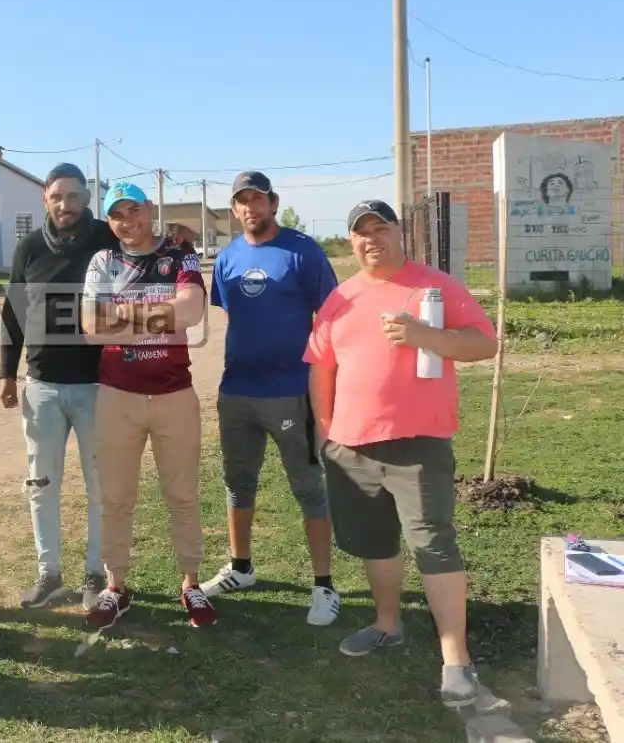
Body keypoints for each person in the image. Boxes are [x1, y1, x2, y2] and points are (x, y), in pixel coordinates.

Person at [304, 199, 498, 707]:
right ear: (351, 241)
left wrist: (425, 335)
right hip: (352, 447)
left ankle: (456, 658)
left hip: (419, 444)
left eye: (381, 228)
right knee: (376, 543)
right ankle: (387, 625)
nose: (372, 238)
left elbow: (484, 344)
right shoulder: (340, 299)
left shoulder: (434, 286)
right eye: (362, 231)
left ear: (398, 232)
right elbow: (321, 366)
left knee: (433, 543)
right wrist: (326, 430)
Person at [0, 163, 201, 612]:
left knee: (101, 486)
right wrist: (6, 372)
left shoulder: (105, 237)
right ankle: (49, 573)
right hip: (41, 381)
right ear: (45, 200)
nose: (65, 204)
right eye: (57, 197)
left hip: (96, 385)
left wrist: (178, 234)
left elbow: (149, 239)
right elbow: (14, 312)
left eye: (73, 196)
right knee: (41, 483)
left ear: (87, 200)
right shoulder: (29, 247)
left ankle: (98, 574)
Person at [198, 171, 342, 626]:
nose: (250, 207)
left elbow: (332, 316)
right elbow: (233, 314)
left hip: (291, 392)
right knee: (237, 482)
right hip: (237, 391)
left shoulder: (303, 250)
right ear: (234, 209)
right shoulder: (228, 258)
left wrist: (326, 381)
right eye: (242, 201)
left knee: (308, 487)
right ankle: (240, 568)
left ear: (273, 202)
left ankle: (324, 585)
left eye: (257, 199)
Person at [81, 182, 214, 629]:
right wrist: (161, 312)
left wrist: (123, 314)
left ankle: (190, 583)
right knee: (116, 496)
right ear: (109, 221)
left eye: (134, 210)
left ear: (150, 208)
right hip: (118, 396)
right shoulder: (104, 261)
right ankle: (116, 586)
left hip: (174, 394)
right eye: (117, 215)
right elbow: (91, 328)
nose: (128, 221)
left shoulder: (179, 252)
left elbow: (191, 311)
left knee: (182, 494)